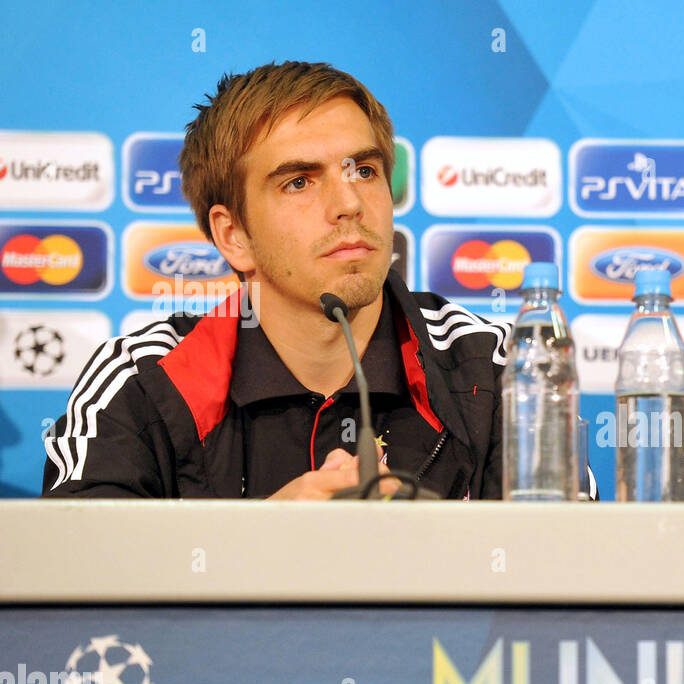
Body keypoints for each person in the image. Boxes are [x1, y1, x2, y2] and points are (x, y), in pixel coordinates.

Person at [43, 62, 505, 500]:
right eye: (300, 182)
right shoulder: (141, 381)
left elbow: (562, 566)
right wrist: (265, 543)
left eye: (364, 171)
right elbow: (75, 571)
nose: (349, 203)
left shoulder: (497, 367)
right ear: (234, 235)